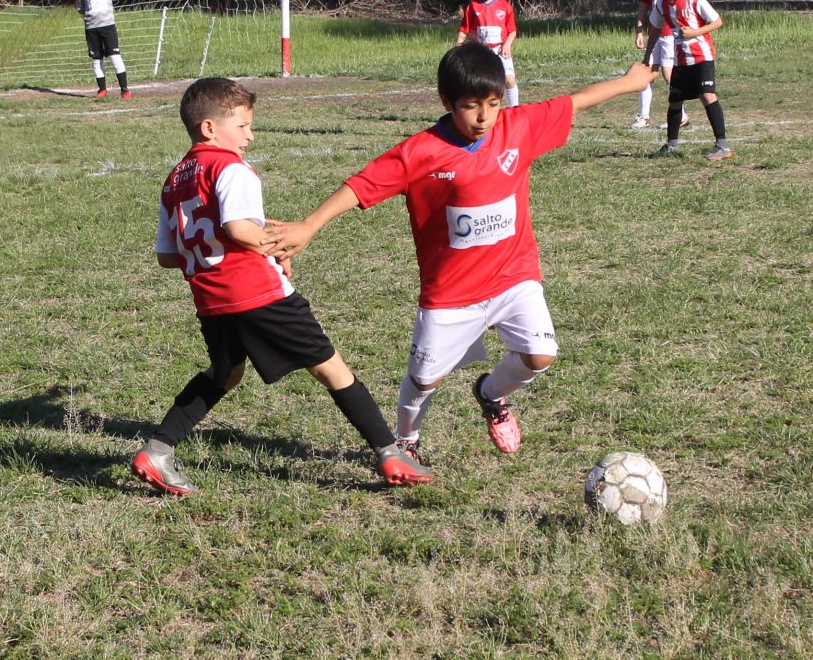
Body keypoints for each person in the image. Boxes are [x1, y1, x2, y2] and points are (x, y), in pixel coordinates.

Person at [266, 46, 654, 466]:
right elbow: (361, 186)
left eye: (492, 103)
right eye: (471, 106)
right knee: (424, 380)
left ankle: (492, 394)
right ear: (446, 102)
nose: (484, 116)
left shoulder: (517, 128)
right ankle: (407, 441)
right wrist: (309, 225)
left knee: (541, 355)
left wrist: (629, 83)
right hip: (450, 294)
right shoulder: (420, 152)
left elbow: (574, 101)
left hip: (513, 277)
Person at [137, 77, 432, 494]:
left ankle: (158, 450)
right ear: (209, 128)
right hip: (258, 294)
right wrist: (277, 246)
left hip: (211, 301)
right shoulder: (230, 168)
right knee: (331, 366)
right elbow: (238, 228)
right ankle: (390, 453)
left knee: (225, 374)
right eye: (242, 126)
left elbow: (168, 256)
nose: (249, 136)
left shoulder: (175, 180)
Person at [647, 0, 732, 161]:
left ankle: (723, 145)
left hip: (702, 57)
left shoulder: (696, 1)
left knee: (707, 95)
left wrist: (694, 32)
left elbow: (718, 21)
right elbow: (655, 29)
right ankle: (672, 145)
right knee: (675, 101)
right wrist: (646, 57)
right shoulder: (661, 4)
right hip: (681, 60)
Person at [631, 0, 677, 129]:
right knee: (646, 71)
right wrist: (639, 30)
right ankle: (644, 116)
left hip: (670, 34)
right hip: (653, 33)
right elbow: (643, 5)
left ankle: (679, 115)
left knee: (668, 74)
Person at [456, 0, 520, 107]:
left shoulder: (505, 6)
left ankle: (514, 109)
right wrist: (458, 47)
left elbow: (512, 31)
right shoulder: (473, 6)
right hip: (482, 53)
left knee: (509, 80)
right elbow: (464, 29)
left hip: (500, 50)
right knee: (485, 84)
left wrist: (507, 44)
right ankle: (484, 110)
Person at [76, 0, 132, 100]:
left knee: (114, 57)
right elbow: (80, 9)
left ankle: (124, 89)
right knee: (96, 59)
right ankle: (102, 89)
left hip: (107, 27)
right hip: (91, 29)